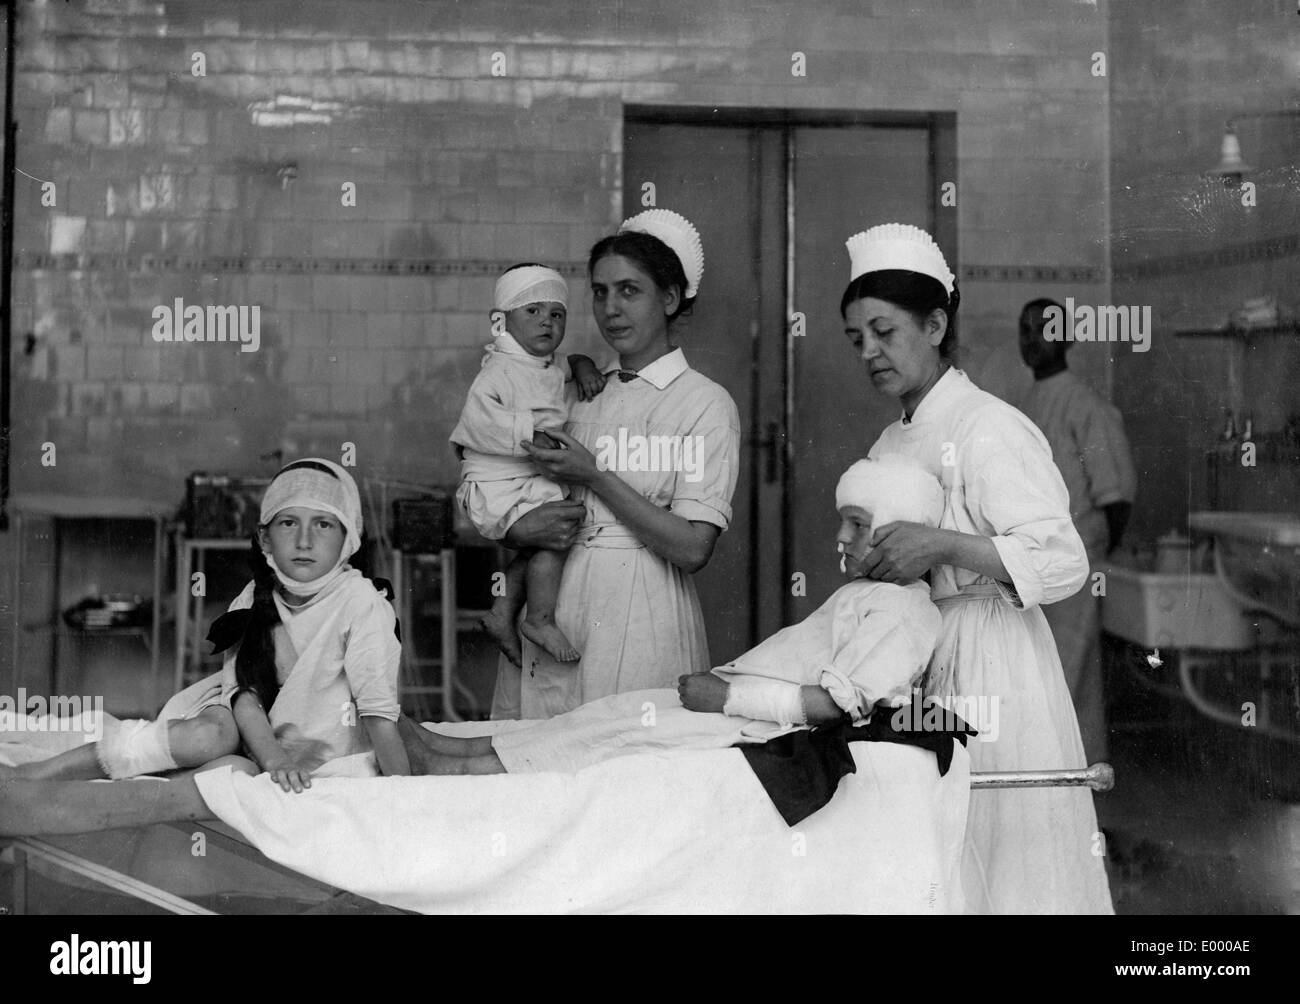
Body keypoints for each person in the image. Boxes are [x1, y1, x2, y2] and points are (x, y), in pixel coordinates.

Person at [842, 223, 1112, 914]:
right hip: (916, 656)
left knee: (996, 861)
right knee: (929, 857)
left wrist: (943, 547)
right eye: (857, 339)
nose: (869, 352)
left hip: (990, 658)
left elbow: (1062, 559)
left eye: (883, 331)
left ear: (934, 324)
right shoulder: (891, 437)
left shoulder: (987, 426)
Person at [397, 455, 945, 775]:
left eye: (858, 524)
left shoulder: (909, 614)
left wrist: (726, 697)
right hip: (740, 712)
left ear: (901, 527)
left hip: (755, 728)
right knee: (615, 712)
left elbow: (832, 704)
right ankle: (458, 747)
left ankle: (461, 765)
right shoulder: (869, 595)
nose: (841, 538)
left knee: (619, 738)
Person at [2, 458, 410, 794]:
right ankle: (34, 776)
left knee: (233, 773)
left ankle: (141, 781)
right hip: (245, 725)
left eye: (323, 524)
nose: (304, 540)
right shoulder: (255, 597)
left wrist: (407, 795)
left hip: (309, 745)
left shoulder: (362, 604)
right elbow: (245, 698)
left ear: (349, 539)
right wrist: (275, 761)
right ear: (265, 539)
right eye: (288, 523)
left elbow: (377, 714)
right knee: (209, 739)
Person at [487, 209, 741, 720]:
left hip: (642, 605)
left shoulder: (704, 404)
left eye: (629, 291)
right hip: (553, 602)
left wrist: (594, 475)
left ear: (669, 298)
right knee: (534, 763)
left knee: (624, 768)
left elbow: (693, 548)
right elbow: (514, 495)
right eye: (600, 292)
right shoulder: (576, 391)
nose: (610, 309)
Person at [450, 263, 607, 666]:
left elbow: (571, 363)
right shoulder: (498, 372)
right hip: (496, 484)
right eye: (532, 312)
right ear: (501, 321)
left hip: (526, 481)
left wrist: (585, 366)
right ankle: (538, 619)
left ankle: (503, 612)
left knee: (559, 529)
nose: (546, 323)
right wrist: (532, 435)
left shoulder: (549, 364)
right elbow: (477, 423)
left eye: (556, 314)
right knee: (559, 531)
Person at [1017, 298, 1137, 764]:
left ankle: (1076, 794)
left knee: (1068, 679)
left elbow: (1117, 496)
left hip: (1077, 563)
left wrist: (1093, 554)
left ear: (1066, 337)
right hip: (1033, 564)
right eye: (1024, 331)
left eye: (1042, 330)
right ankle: (1065, 791)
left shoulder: (1086, 405)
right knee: (1049, 682)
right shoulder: (1024, 404)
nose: (1031, 341)